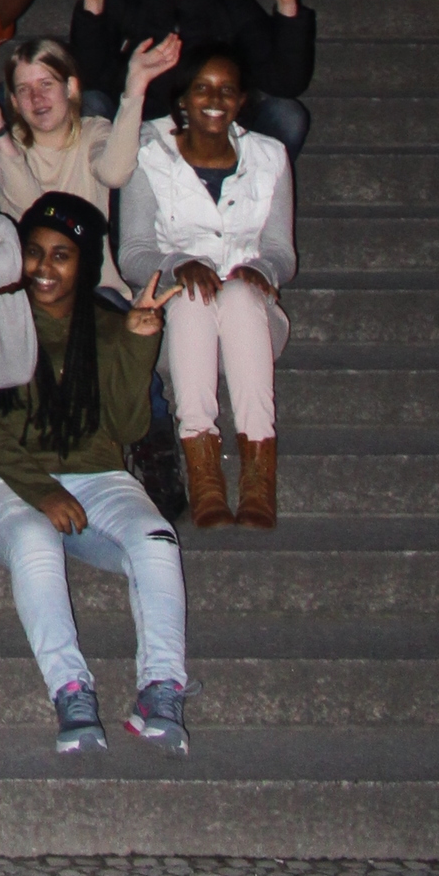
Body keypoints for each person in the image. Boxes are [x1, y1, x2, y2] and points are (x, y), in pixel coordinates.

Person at [0, 195, 188, 754]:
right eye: (34, 252)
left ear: (85, 264)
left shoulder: (108, 324)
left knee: (156, 540)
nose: (43, 267)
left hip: (95, 476)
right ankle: (71, 691)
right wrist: (43, 492)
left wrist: (139, 342)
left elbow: (130, 427)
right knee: (37, 538)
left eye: (62, 255)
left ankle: (161, 689)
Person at [118, 49, 295, 530]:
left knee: (236, 296)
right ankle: (204, 475)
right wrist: (179, 264)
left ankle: (259, 475)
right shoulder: (149, 153)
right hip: (179, 321)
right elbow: (132, 253)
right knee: (194, 300)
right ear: (182, 99)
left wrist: (263, 271)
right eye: (202, 87)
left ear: (241, 101)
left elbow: (282, 251)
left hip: (250, 321)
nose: (215, 99)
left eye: (227, 90)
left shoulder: (269, 155)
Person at [68, 0, 317, 161]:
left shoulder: (234, 8)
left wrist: (287, 5)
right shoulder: (122, 0)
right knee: (90, 105)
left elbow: (286, 83)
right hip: (138, 138)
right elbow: (88, 79)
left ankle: (246, 194)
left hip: (217, 133)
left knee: (288, 115)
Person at [0, 33, 172, 263]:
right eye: (23, 89)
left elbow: (115, 174)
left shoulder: (94, 131)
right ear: (15, 102)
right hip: (33, 284)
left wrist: (135, 88)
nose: (36, 97)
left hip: (96, 285)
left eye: (46, 84)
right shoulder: (2, 143)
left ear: (70, 88)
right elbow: (35, 214)